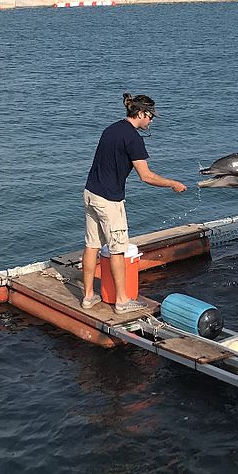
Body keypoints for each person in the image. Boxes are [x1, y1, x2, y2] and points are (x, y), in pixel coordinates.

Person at [81, 92, 187, 313]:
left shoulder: (111, 129)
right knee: (117, 249)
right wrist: (172, 183)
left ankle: (89, 296)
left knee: (91, 245)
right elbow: (146, 176)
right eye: (150, 116)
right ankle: (122, 301)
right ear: (140, 113)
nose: (152, 120)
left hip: (91, 192)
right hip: (109, 200)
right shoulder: (133, 139)